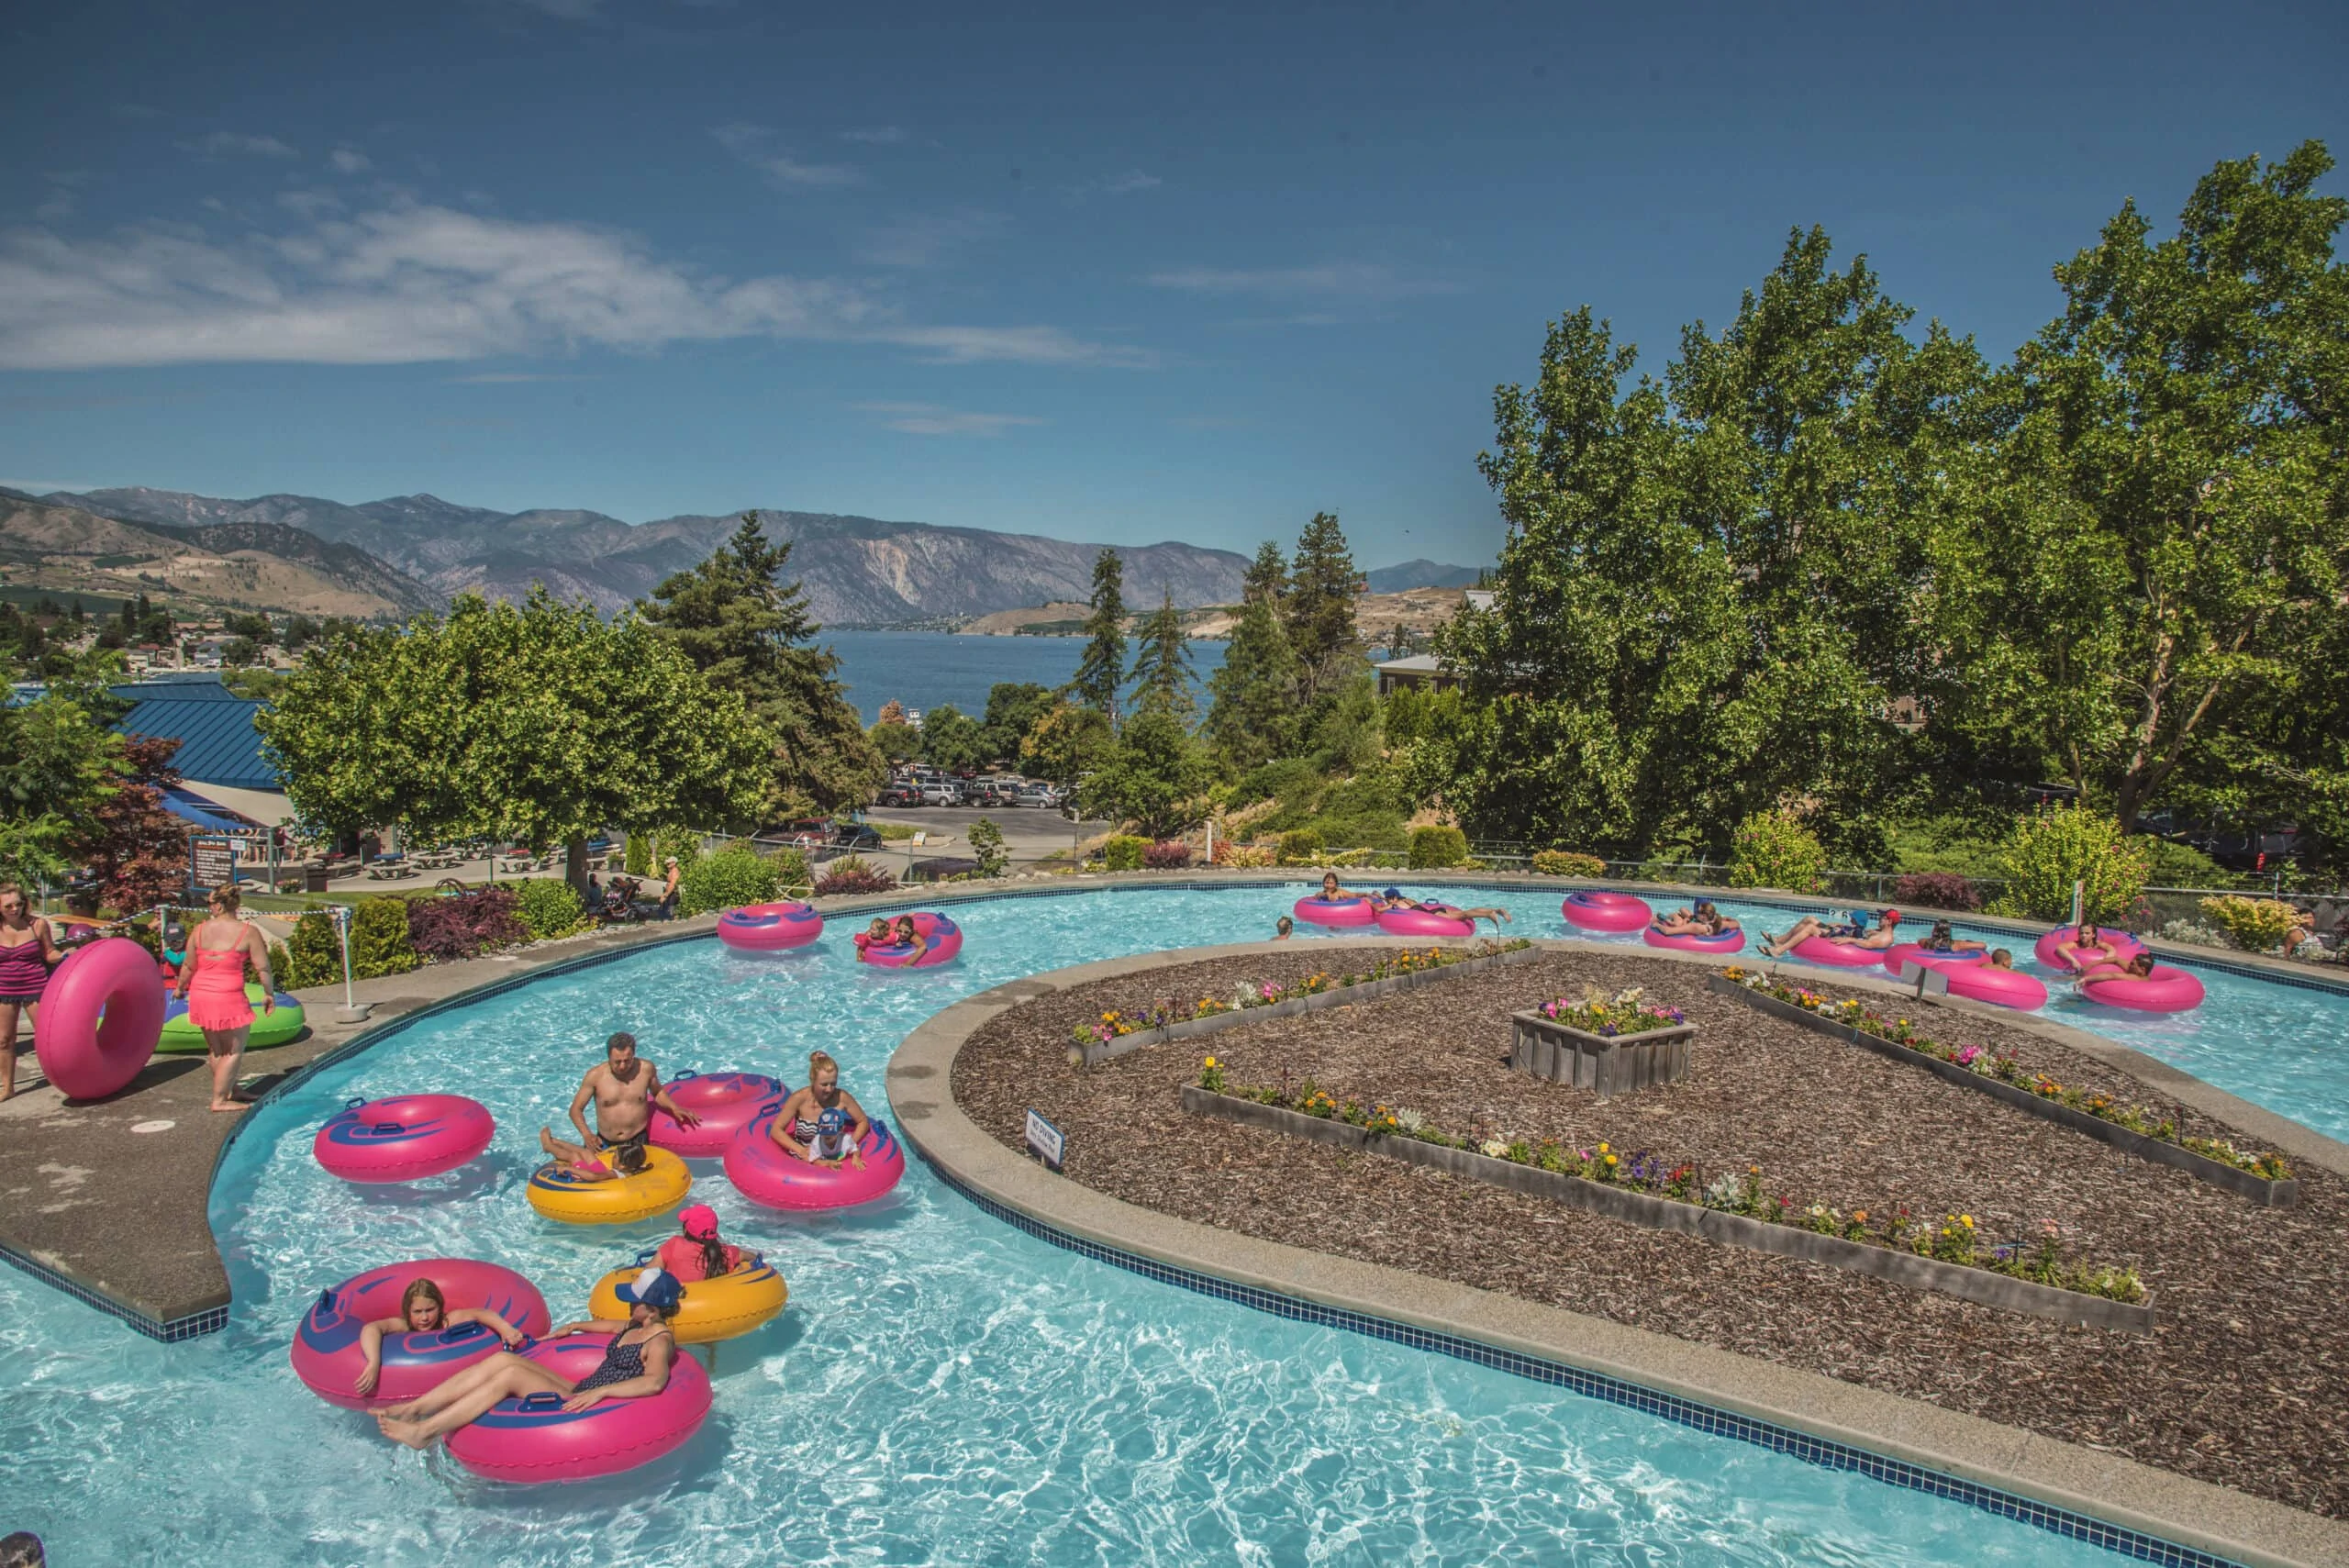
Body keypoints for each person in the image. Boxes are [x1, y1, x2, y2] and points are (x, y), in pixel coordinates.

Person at [373, 1267, 684, 1450]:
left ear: (652, 1308)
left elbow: (654, 1381)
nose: (629, 1307)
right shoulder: (635, 1325)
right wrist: (573, 1327)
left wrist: (601, 1392)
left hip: (592, 1401)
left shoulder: (659, 1341)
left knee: (509, 1376)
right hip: (579, 1386)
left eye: (635, 1302)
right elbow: (611, 1327)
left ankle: (424, 1432)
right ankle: (415, 1409)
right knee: (500, 1361)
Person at [171, 884, 275, 1113]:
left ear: (218, 905)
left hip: (201, 994)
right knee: (234, 1050)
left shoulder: (199, 930)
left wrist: (179, 989)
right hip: (228, 996)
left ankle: (232, 1089)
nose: (209, 908)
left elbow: (189, 965)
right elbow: (263, 968)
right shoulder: (247, 932)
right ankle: (219, 1100)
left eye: (210, 904)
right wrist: (269, 993)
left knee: (217, 1049)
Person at [353, 1277, 529, 1397]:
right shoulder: (404, 1326)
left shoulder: (447, 1322)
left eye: (430, 1310)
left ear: (440, 1307)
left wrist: (505, 1329)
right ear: (408, 1311)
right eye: (417, 1312)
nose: (424, 1318)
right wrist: (374, 1362)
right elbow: (372, 1328)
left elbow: (480, 1314)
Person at [565, 1031, 697, 1177]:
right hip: (604, 1141)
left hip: (637, 1140)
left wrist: (674, 1107)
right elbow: (575, 1110)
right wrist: (586, 1135)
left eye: (627, 1060)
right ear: (608, 1057)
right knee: (595, 1183)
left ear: (633, 1055)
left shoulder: (646, 1069)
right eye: (617, 1061)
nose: (622, 1066)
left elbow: (657, 1092)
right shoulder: (595, 1076)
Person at [0, 884, 62, 1105]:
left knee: (47, 1039)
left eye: (19, 904)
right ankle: (7, 1087)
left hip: (35, 987)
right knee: (4, 1040)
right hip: (4, 990)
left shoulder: (37, 925)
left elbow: (49, 952)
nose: (15, 909)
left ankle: (63, 1079)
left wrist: (63, 956)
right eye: (8, 906)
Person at [770, 1050, 872, 1166]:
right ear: (813, 1080)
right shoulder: (799, 1099)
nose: (829, 1089)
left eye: (833, 1084)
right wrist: (800, 1150)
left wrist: (849, 1144)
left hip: (834, 1157)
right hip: (804, 1159)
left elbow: (863, 1121)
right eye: (824, 1084)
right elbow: (776, 1130)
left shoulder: (842, 1098)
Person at [656, 1204, 745, 1284]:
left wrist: (662, 1251)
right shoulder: (727, 1253)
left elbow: (648, 1274)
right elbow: (753, 1258)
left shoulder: (674, 1245)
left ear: (686, 1230)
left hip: (676, 1299)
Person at [1761, 908, 1901, 959]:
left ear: (1889, 921)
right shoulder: (1879, 931)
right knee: (1809, 919)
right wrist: (1844, 926)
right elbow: (1860, 931)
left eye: (1882, 917)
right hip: (1844, 933)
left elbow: (1868, 944)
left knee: (1810, 927)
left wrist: (1849, 940)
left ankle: (1779, 950)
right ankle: (1779, 940)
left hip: (1848, 943)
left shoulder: (1884, 938)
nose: (1879, 918)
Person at [1375, 887, 1509, 930]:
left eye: (1387, 899)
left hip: (1434, 915)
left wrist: (1370, 902)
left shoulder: (1395, 905)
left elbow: (1380, 910)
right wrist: (1381, 897)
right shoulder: (1408, 900)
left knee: (1463, 915)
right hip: (1434, 910)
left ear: (1393, 898)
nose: (1387, 901)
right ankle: (1496, 910)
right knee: (1462, 912)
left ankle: (1488, 914)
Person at [2075, 951, 2157, 987]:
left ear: (2142, 970)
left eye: (2132, 964)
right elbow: (2116, 959)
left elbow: (2112, 975)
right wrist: (2092, 964)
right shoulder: (2135, 970)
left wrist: (2085, 978)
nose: (2129, 964)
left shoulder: (2137, 978)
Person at [1919, 919, 1987, 955]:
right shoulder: (1957, 944)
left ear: (1934, 931)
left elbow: (1919, 942)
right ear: (1949, 932)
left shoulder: (1925, 942)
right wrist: (1968, 943)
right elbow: (1983, 945)